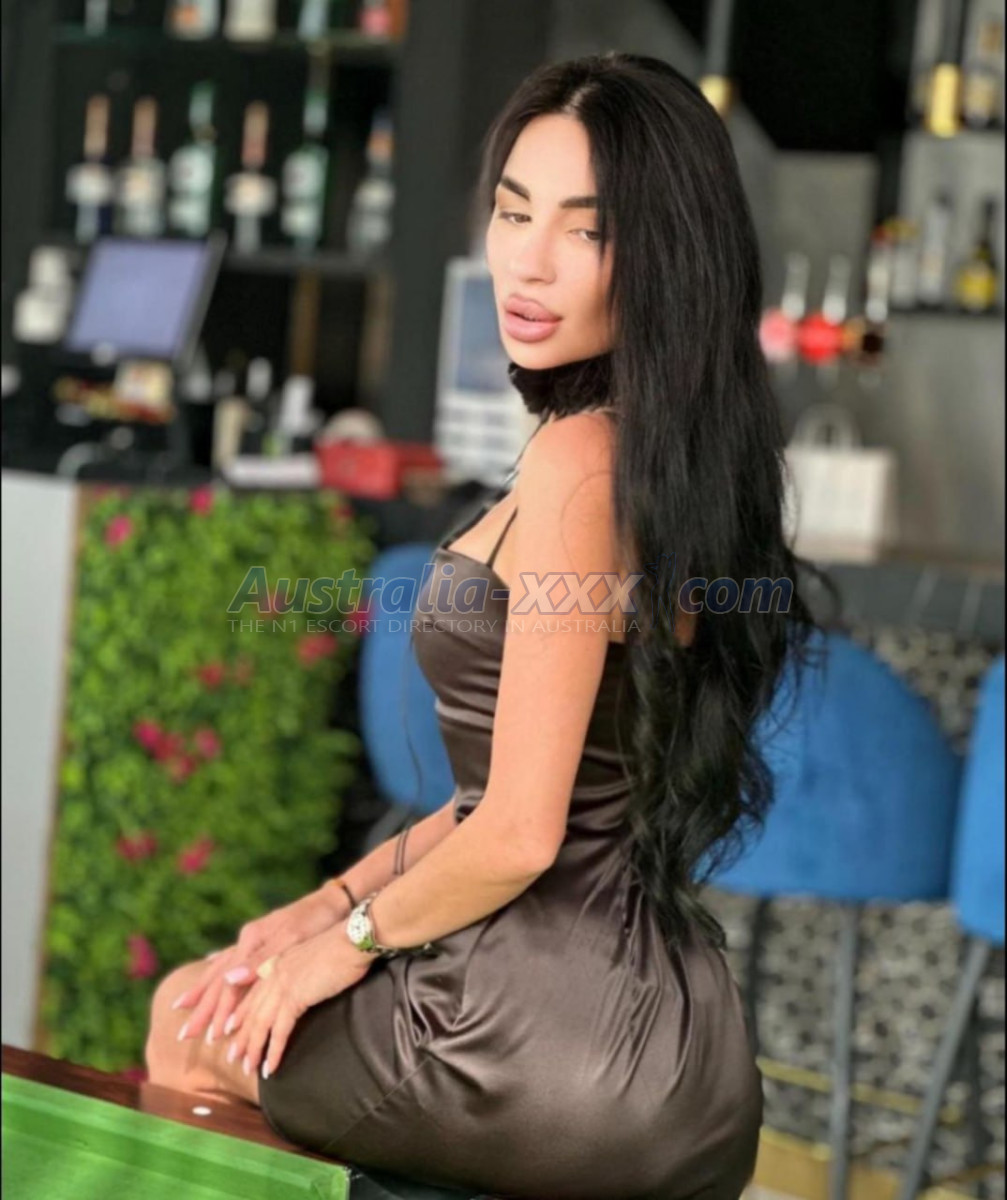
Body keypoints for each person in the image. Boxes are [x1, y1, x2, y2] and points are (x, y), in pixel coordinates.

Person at [145, 52, 830, 1198]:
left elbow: (515, 835)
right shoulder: (674, 459)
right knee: (234, 988)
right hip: (664, 1041)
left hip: (537, 1040)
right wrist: (319, 907)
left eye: (584, 228)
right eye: (514, 212)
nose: (528, 259)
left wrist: (337, 951)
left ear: (663, 254)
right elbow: (501, 805)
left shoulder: (578, 462)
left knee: (188, 1019)